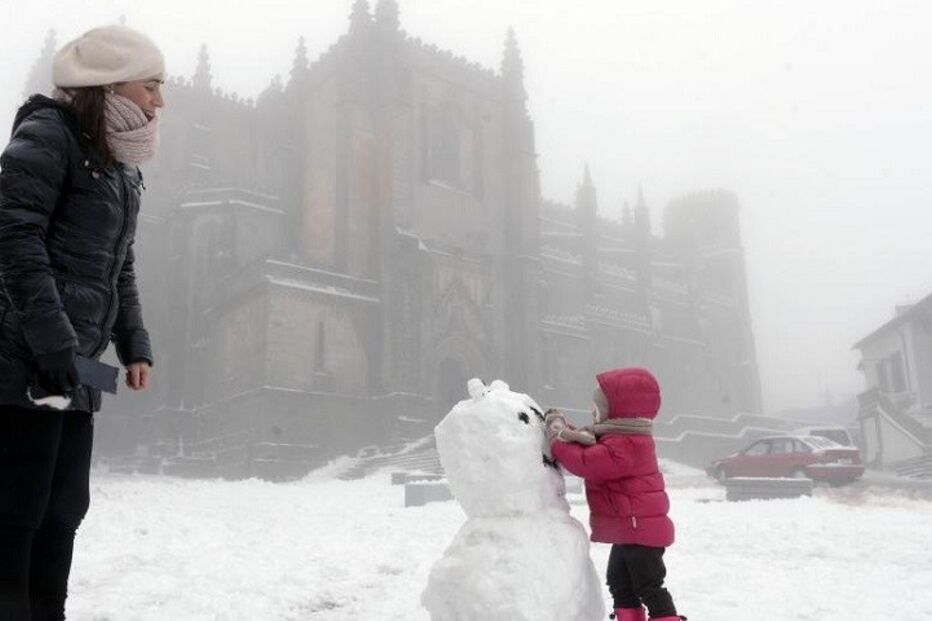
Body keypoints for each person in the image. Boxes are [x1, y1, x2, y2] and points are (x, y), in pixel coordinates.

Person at [0, 24, 164, 619]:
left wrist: (134, 344)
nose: (160, 102)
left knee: (65, 509)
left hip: (78, 370)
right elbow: (14, 241)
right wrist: (54, 345)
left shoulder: (123, 170)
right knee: (18, 509)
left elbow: (119, 266)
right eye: (151, 87)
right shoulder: (48, 135)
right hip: (28, 363)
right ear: (111, 84)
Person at [546, 367, 686, 621]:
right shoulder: (618, 438)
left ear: (619, 410)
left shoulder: (628, 443)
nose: (593, 412)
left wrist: (557, 440)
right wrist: (566, 429)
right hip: (630, 530)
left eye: (598, 407)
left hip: (641, 531)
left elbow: (589, 462)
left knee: (648, 587)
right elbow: (590, 445)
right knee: (619, 583)